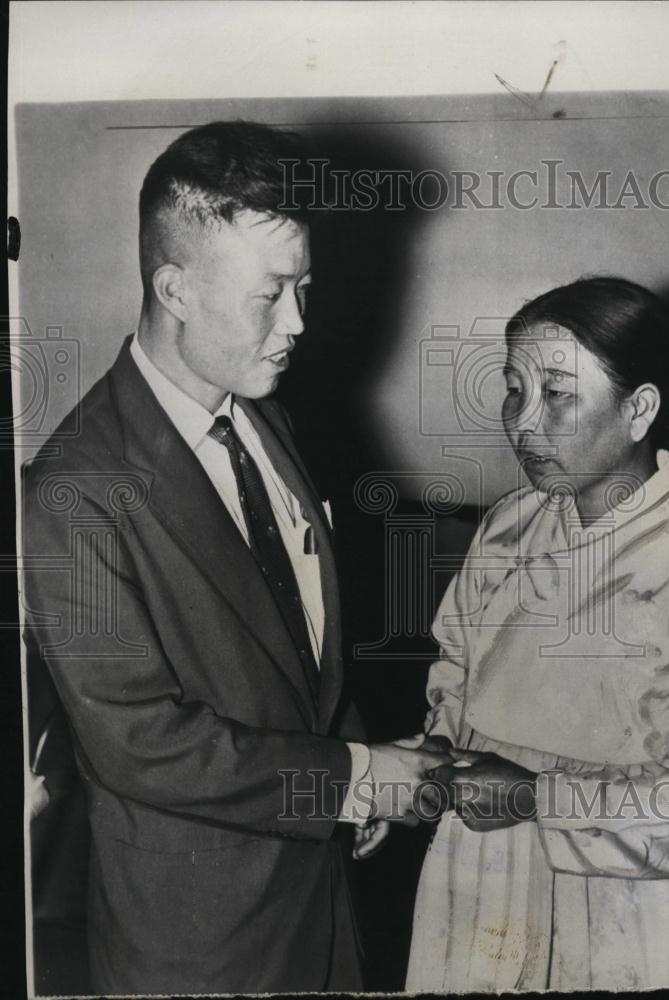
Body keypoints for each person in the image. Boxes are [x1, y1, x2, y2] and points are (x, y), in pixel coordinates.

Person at [22, 121, 448, 995]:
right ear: (173, 288)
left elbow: (295, 643)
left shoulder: (265, 414)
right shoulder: (73, 491)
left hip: (322, 905)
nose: (299, 322)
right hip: (200, 945)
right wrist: (356, 780)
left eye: (305, 287)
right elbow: (141, 745)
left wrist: (347, 769)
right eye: (270, 294)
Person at [405, 277, 669, 991]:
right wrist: (428, 766)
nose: (520, 424)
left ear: (638, 409)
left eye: (556, 394)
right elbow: (454, 671)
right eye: (513, 390)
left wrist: (537, 798)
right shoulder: (507, 528)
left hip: (632, 907)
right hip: (480, 878)